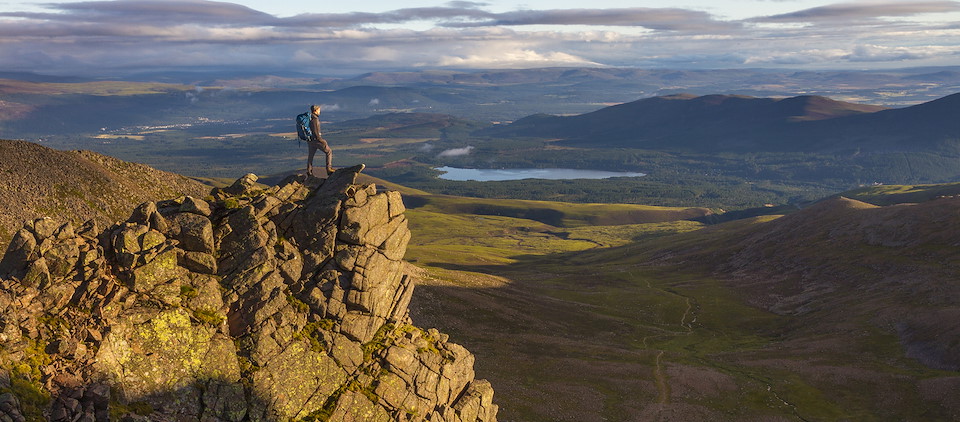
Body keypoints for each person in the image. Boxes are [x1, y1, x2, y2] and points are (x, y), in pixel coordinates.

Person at [307, 104, 334, 177]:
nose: (320, 111)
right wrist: (322, 141)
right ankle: (329, 169)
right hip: (316, 140)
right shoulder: (315, 119)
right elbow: (316, 133)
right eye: (319, 110)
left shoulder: (309, 118)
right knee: (329, 151)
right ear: (315, 110)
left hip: (310, 140)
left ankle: (309, 171)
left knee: (311, 156)